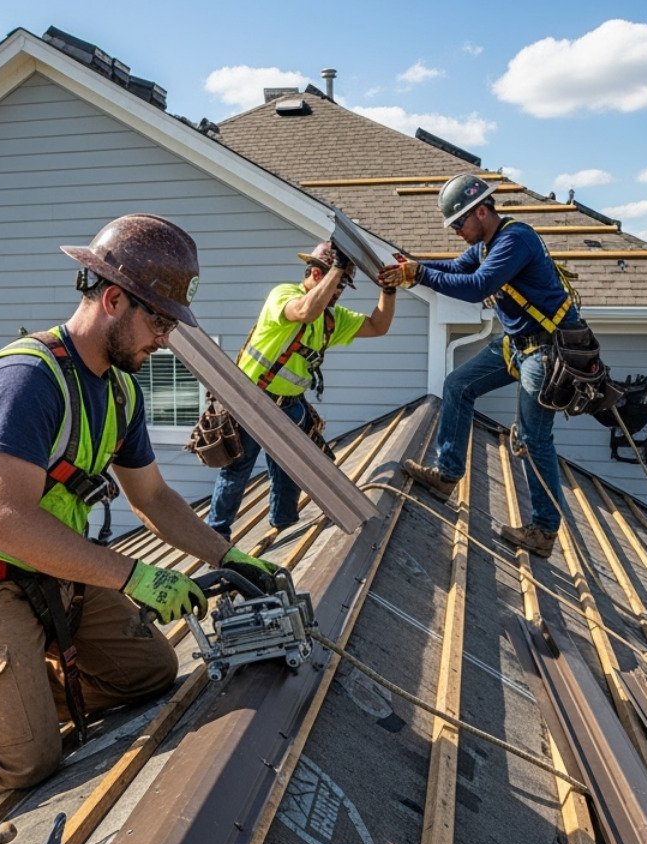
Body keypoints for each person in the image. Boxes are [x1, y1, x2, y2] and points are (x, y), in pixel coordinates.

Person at [0, 214, 284, 834]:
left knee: (150, 671)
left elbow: (152, 497)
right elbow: (10, 524)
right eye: (158, 320)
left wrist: (225, 557)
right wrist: (135, 577)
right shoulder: (28, 379)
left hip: (53, 573)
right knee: (23, 757)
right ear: (112, 299)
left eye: (172, 324)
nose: (165, 338)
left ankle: (17, 702)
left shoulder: (121, 393)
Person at [378, 174, 584, 559]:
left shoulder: (514, 240)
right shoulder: (486, 245)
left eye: (459, 223)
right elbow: (458, 268)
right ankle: (446, 474)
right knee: (458, 385)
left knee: (534, 438)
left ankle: (543, 529)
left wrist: (420, 275)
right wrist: (414, 266)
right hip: (518, 345)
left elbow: (477, 286)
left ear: (483, 211)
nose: (457, 231)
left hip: (545, 351)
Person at [205, 241, 397, 539]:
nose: (340, 292)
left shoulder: (332, 319)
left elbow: (378, 326)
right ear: (318, 276)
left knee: (291, 468)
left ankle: (282, 525)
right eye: (339, 284)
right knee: (237, 470)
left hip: (289, 402)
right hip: (251, 398)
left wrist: (388, 291)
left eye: (343, 286)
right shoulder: (284, 295)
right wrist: (338, 268)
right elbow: (305, 311)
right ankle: (216, 536)